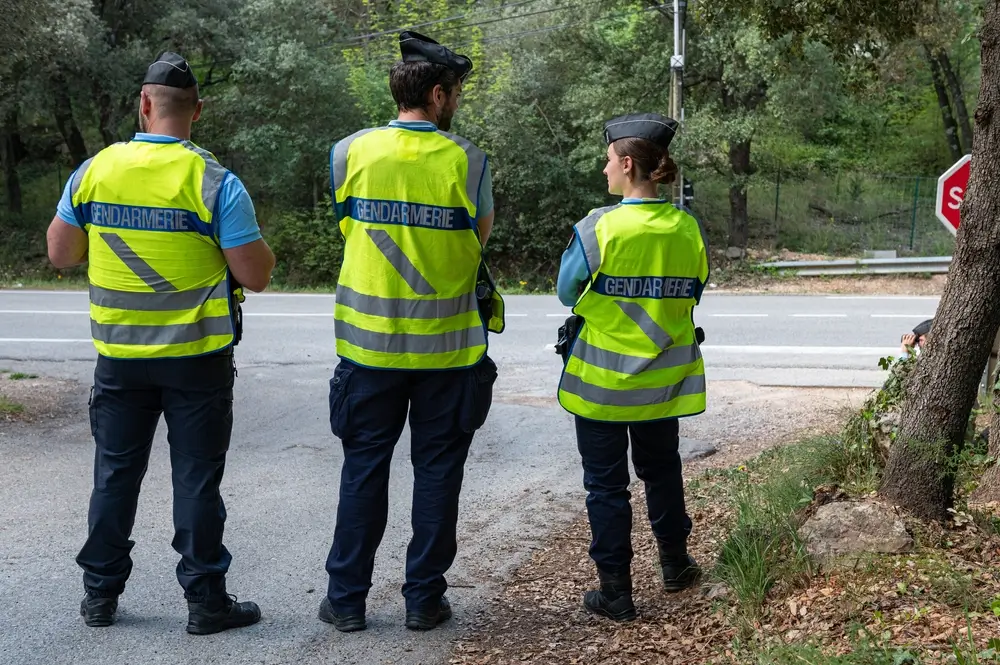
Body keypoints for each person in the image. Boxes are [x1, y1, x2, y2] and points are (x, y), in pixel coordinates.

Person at [45, 51, 276, 634]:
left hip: (120, 359)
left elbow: (61, 255)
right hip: (197, 360)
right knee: (196, 479)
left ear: (143, 105)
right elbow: (256, 275)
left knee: (114, 476)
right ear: (197, 111)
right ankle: (205, 604)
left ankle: (99, 596)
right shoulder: (215, 181)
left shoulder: (94, 171)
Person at [321, 31, 503, 633]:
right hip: (448, 356)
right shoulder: (469, 161)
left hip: (367, 351)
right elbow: (478, 238)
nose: (457, 103)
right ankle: (424, 600)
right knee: (437, 477)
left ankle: (346, 601)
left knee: (363, 472)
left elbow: (346, 225)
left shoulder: (348, 152)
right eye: (454, 92)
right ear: (436, 94)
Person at [555, 112, 709, 622]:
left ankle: (616, 592)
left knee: (605, 485)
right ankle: (675, 564)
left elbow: (565, 293)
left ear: (626, 164)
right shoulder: (687, 228)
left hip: (600, 385)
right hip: (661, 385)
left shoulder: (597, 229)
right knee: (662, 470)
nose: (603, 172)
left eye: (606, 162)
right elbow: (696, 290)